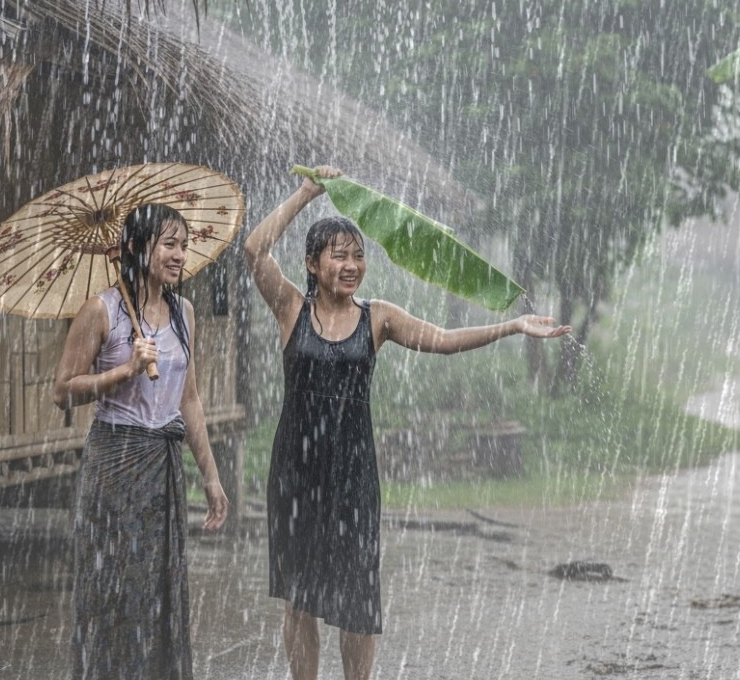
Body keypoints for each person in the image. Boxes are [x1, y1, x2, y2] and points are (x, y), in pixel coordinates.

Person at [244, 166, 571, 680]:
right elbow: (254, 250)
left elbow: (442, 338)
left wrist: (511, 326)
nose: (351, 266)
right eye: (339, 255)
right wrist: (305, 194)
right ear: (311, 263)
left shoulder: (379, 317)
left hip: (353, 472)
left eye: (358, 255)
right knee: (298, 597)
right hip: (296, 469)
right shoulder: (290, 308)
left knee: (358, 596)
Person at [53, 203, 230, 680]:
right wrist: (123, 371)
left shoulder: (183, 313)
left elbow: (188, 400)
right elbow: (62, 391)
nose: (179, 255)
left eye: (184, 245)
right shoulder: (102, 311)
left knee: (160, 587)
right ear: (136, 247)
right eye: (169, 244)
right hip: (115, 462)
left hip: (163, 462)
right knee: (114, 585)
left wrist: (211, 478)